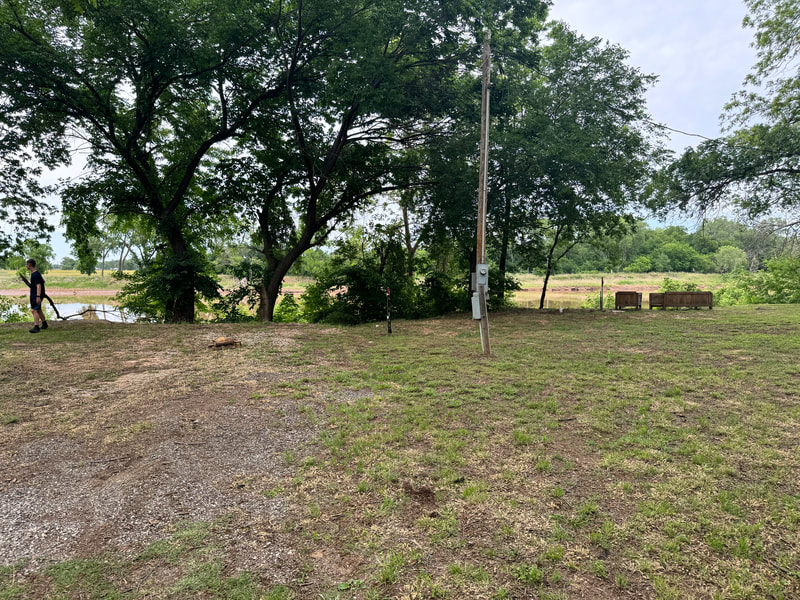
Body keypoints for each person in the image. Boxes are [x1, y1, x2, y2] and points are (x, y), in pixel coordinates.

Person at [26, 259, 48, 333]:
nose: (26, 266)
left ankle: (36, 327)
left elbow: (39, 285)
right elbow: (43, 281)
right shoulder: (35, 273)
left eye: (27, 264)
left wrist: (38, 296)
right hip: (34, 294)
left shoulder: (35, 274)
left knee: (34, 310)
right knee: (38, 310)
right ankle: (44, 324)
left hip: (36, 295)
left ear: (29, 265)